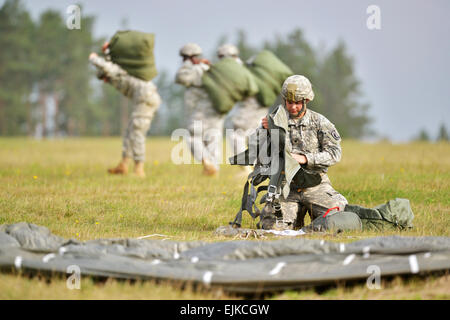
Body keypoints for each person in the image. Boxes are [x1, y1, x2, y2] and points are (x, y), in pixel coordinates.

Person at [261, 75, 348, 230]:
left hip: (317, 186)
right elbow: (261, 156)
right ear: (284, 100)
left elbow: (334, 153)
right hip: (286, 188)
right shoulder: (274, 121)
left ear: (306, 101)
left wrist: (305, 159)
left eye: (297, 103)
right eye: (289, 102)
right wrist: (266, 132)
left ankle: (312, 223)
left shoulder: (320, 122)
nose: (293, 107)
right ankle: (295, 218)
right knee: (272, 227)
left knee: (339, 214)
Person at [89, 42, 161, 177]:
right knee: (129, 132)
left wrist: (93, 58)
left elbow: (108, 66)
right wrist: (107, 52)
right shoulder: (116, 75)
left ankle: (139, 169)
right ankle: (123, 165)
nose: (105, 80)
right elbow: (111, 62)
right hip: (144, 100)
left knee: (137, 132)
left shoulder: (117, 72)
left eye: (104, 77)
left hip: (146, 99)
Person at [175, 43, 225, 176]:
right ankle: (215, 170)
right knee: (214, 139)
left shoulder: (194, 70)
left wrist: (188, 65)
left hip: (199, 113)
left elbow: (180, 77)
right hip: (216, 111)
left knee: (193, 138)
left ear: (188, 57)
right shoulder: (210, 68)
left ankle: (207, 163)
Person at [217, 44, 268, 173]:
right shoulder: (246, 65)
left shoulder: (232, 68)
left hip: (248, 106)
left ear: (224, 56)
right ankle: (261, 169)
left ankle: (246, 170)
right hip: (261, 105)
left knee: (235, 135)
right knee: (253, 135)